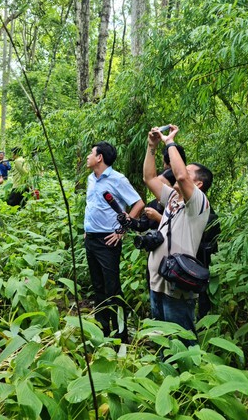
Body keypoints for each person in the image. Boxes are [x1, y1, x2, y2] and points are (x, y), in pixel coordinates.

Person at [143, 125, 213, 337]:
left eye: (187, 170)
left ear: (198, 184)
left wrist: (170, 142)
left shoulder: (199, 203)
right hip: (157, 283)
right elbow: (149, 178)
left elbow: (181, 177)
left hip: (178, 287)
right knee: (163, 343)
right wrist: (151, 147)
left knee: (181, 344)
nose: (177, 171)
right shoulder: (173, 198)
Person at [84, 141, 145, 342]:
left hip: (108, 241)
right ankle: (102, 332)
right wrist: (87, 230)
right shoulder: (91, 179)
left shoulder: (117, 179)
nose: (88, 157)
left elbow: (138, 203)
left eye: (91, 153)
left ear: (99, 157)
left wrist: (121, 230)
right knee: (98, 287)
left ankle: (121, 337)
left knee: (113, 289)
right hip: (91, 238)